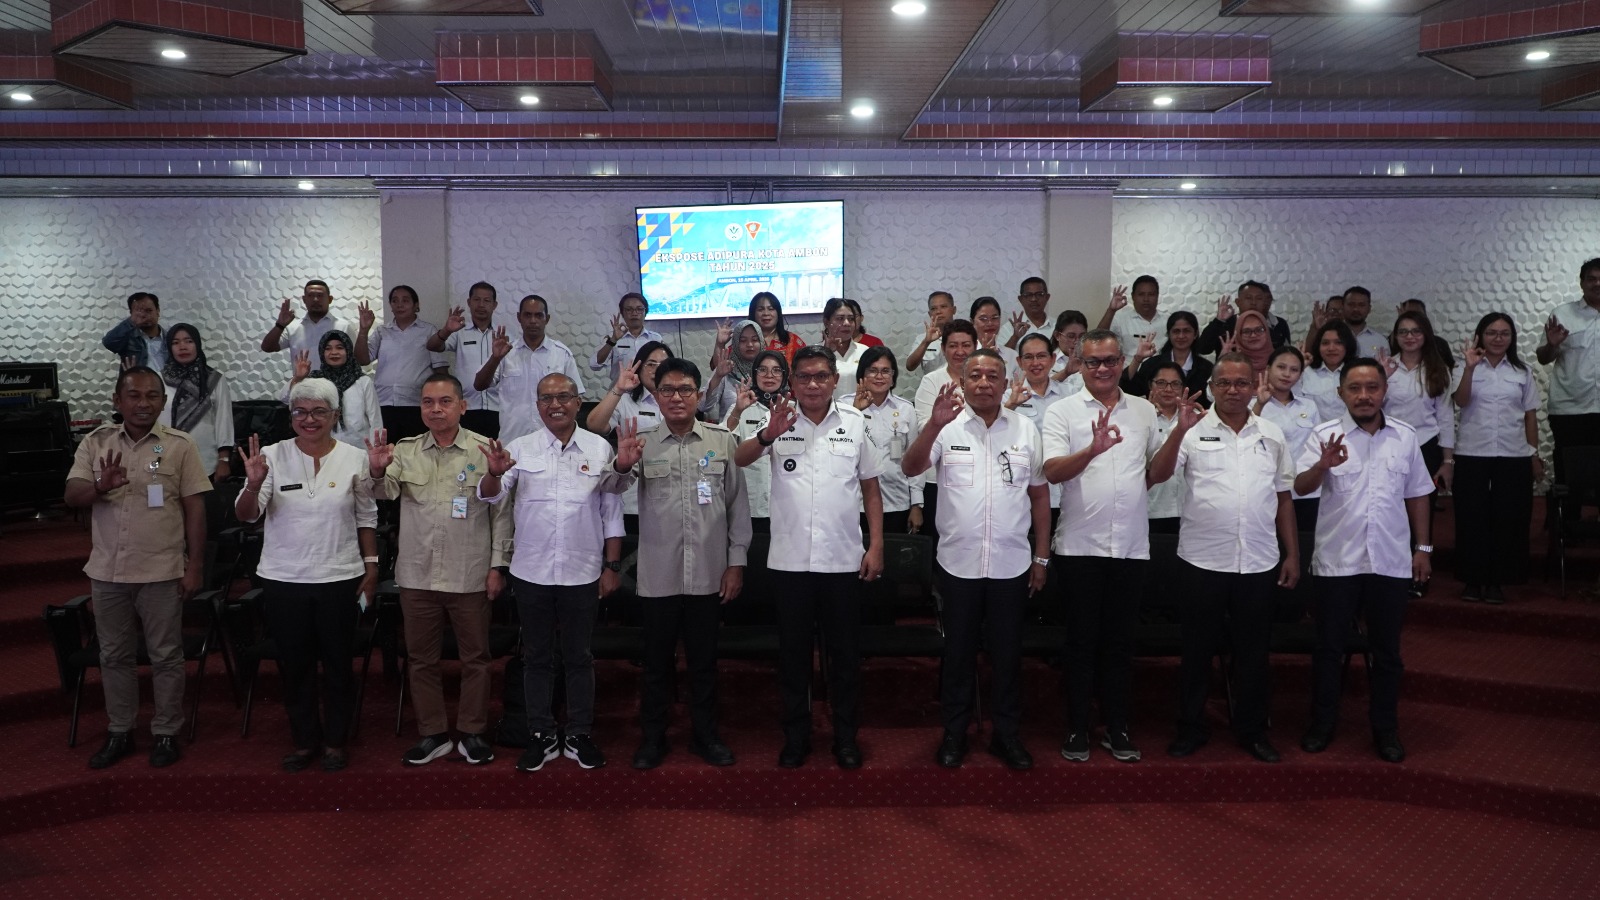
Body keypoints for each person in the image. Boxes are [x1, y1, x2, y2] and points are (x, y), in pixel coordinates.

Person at [734, 346, 887, 770]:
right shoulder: (777, 418)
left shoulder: (855, 423)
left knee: (845, 658)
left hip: (842, 561)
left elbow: (871, 489)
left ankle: (845, 738)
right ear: (793, 382)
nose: (813, 384)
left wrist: (876, 545)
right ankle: (796, 737)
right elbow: (738, 458)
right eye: (804, 377)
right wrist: (768, 435)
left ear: (835, 380)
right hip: (791, 563)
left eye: (821, 376)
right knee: (793, 658)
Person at [477, 373, 636, 772]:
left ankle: (579, 733)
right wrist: (493, 473)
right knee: (536, 658)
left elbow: (611, 511)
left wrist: (612, 566)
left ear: (578, 402)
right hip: (531, 571)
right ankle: (541, 734)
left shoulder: (599, 448)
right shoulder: (520, 448)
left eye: (563, 396)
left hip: (582, 571)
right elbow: (491, 496)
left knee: (579, 657)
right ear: (537, 406)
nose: (555, 404)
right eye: (546, 398)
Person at [902, 350, 1051, 771]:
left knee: (1007, 655)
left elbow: (1040, 496)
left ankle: (1007, 734)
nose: (984, 382)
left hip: (1011, 564)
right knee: (958, 654)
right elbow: (911, 467)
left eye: (992, 376)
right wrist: (933, 425)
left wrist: (1042, 556)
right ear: (962, 382)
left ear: (1005, 384)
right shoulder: (946, 426)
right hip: (958, 564)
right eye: (976, 375)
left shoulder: (1025, 429)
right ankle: (954, 733)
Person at [1042, 329, 1185, 764]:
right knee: (1081, 643)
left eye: (1109, 360)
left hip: (1130, 547)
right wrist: (1093, 449)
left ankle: (1117, 726)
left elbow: (1157, 474)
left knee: (1121, 645)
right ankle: (1076, 727)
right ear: (1080, 365)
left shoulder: (1143, 410)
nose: (1102, 368)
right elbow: (1052, 472)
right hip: (1079, 547)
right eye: (1092, 361)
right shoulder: (1062, 411)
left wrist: (1179, 433)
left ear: (1122, 362)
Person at [1149, 354, 1299, 764]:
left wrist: (1292, 554)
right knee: (1196, 651)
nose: (1233, 390)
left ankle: (1252, 730)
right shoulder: (1191, 430)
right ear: (1212, 388)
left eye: (1241, 383)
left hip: (1259, 561)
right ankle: (1191, 727)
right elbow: (1156, 475)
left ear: (1254, 387)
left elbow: (1284, 498)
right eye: (1225, 383)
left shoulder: (1271, 434)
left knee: (1253, 653)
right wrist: (1178, 432)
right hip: (1202, 561)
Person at [63, 366, 210, 770]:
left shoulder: (180, 445)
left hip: (162, 570)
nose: (143, 403)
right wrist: (99, 487)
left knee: (166, 655)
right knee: (113, 655)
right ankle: (120, 730)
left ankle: (166, 732)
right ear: (118, 400)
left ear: (163, 402)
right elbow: (72, 495)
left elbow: (196, 509)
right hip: (108, 571)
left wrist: (195, 566)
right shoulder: (96, 442)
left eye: (152, 396)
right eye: (134, 395)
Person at [366, 372, 512, 766]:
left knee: (476, 658)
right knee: (421, 660)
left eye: (445, 401)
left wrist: (498, 566)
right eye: (428, 402)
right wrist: (377, 470)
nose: (435, 409)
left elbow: (501, 514)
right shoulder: (406, 450)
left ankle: (472, 732)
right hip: (418, 573)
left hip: (470, 572)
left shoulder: (484, 451)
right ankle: (433, 734)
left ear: (462, 406)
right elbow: (383, 493)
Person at [1293, 358, 1434, 764]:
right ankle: (1322, 724)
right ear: (1341, 393)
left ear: (1384, 391)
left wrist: (1423, 549)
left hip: (1389, 561)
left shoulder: (1405, 436)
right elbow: (1299, 487)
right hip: (1337, 562)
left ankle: (1385, 729)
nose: (1364, 395)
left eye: (1372, 387)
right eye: (1354, 388)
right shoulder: (1323, 435)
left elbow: (1418, 493)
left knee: (1387, 652)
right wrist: (1322, 466)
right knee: (1329, 648)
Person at [235, 378, 379, 773]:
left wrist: (371, 567)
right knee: (295, 664)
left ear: (335, 415)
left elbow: (366, 516)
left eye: (318, 411)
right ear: (291, 416)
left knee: (337, 663)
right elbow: (247, 515)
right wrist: (252, 485)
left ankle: (335, 740)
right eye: (300, 411)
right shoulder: (271, 455)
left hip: (341, 577)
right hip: (284, 579)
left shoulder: (354, 457)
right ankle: (304, 740)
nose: (309, 419)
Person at [625, 358, 751, 770]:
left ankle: (705, 736)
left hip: (709, 574)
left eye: (685, 389)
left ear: (699, 394)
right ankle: (653, 739)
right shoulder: (640, 443)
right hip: (659, 575)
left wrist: (736, 562)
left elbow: (738, 507)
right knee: (655, 665)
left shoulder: (722, 440)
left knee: (704, 664)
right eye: (667, 390)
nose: (676, 397)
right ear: (656, 396)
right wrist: (622, 463)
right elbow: (612, 487)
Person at [1452, 313, 1542, 605]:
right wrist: (1469, 369)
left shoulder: (1522, 371)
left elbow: (1530, 415)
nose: (1498, 338)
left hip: (1513, 453)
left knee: (1508, 518)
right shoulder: (1463, 366)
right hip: (1472, 452)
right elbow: (1461, 401)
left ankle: (1498, 580)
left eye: (1504, 333)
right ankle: (1472, 578)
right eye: (1492, 332)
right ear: (1480, 335)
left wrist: (1533, 453)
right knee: (1472, 517)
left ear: (1512, 338)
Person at [474, 295, 586, 444]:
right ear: (519, 318)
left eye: (538, 315)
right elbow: (479, 385)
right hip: (513, 440)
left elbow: (575, 399)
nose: (533, 321)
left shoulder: (561, 354)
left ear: (547, 319)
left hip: (553, 441)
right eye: (527, 315)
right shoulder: (505, 352)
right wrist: (495, 359)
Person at [585, 340, 673, 531]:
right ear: (639, 368)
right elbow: (594, 425)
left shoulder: (678, 401)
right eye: (651, 364)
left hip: (672, 496)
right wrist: (618, 389)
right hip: (634, 495)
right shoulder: (626, 401)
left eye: (663, 365)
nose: (657, 370)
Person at [1536, 257, 1600, 488]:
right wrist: (1552, 345)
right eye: (1591, 279)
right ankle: (1568, 511)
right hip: (1570, 407)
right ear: (1581, 283)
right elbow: (1543, 358)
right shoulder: (1562, 314)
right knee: (1569, 471)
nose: (1597, 283)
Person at [355, 285, 448, 441]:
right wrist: (363, 330)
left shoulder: (428, 331)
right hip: (383, 404)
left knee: (415, 451)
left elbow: (441, 371)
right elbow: (362, 360)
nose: (399, 305)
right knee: (385, 450)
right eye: (395, 301)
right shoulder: (381, 331)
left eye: (405, 300)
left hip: (416, 405)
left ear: (416, 305)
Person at [852, 346, 924, 534]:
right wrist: (855, 412)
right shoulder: (846, 407)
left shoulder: (906, 409)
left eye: (885, 371)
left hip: (896, 502)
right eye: (872, 370)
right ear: (862, 374)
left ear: (893, 376)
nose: (879, 376)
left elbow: (915, 460)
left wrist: (916, 504)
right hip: (855, 504)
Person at [1253, 346, 1322, 533]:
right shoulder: (1253, 404)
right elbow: (1245, 438)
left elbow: (1317, 446)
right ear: (1268, 369)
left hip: (1304, 490)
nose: (1287, 374)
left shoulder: (1309, 406)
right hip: (1267, 489)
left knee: (1305, 542)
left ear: (1300, 375)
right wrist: (1260, 404)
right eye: (1281, 367)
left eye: (1294, 370)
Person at [1383, 311, 1455, 489]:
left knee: (1424, 502)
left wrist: (1448, 461)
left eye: (1416, 331)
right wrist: (1381, 378)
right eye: (1403, 332)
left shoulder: (1439, 370)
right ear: (1395, 336)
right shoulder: (1384, 367)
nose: (1409, 337)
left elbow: (1445, 417)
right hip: (1388, 445)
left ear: (1426, 335)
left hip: (1426, 445)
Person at [158, 323, 234, 482]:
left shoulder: (214, 380)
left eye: (188, 341)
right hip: (165, 459)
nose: (182, 347)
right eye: (175, 342)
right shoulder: (159, 380)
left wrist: (224, 460)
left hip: (206, 462)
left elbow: (224, 421)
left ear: (197, 344)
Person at [428, 281, 505, 438]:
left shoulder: (503, 335)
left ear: (494, 305)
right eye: (476, 300)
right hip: (466, 409)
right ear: (469, 302)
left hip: (498, 409)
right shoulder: (459, 332)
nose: (481, 305)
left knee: (496, 452)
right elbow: (433, 346)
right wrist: (446, 330)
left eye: (486, 300)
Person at [725, 349, 787, 531]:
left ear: (785, 375)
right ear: (754, 373)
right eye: (763, 370)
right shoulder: (740, 406)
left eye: (776, 370)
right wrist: (738, 411)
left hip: (786, 505)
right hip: (749, 502)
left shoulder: (794, 408)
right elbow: (723, 442)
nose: (769, 375)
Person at [284, 330, 381, 448]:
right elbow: (285, 399)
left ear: (348, 351)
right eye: (328, 348)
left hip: (359, 448)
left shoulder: (363, 381)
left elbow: (375, 419)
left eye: (340, 348)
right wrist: (298, 378)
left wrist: (376, 449)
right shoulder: (315, 380)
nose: (334, 352)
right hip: (323, 448)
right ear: (322, 353)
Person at [1123, 311, 1212, 400]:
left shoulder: (1206, 369)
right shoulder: (1152, 365)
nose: (1181, 336)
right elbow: (1127, 390)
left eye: (1186, 331)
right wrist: (1138, 358)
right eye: (1176, 331)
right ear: (1169, 334)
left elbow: (1211, 400)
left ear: (1195, 334)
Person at [1143, 361, 1188, 534]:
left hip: (1189, 513)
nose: (1168, 389)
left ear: (1183, 388)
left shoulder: (1195, 420)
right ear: (1150, 385)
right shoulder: (1139, 419)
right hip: (1149, 511)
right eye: (1161, 383)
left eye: (1175, 384)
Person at [260, 279, 350, 361]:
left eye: (320, 295)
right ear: (304, 299)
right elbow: (267, 348)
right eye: (310, 295)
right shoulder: (292, 328)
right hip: (302, 375)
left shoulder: (344, 327)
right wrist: (280, 325)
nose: (315, 299)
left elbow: (356, 359)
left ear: (330, 299)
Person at [1197, 281, 1291, 356]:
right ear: (1238, 302)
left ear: (1264, 302)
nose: (1253, 302)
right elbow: (1203, 349)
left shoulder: (1277, 324)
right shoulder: (1225, 324)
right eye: (1248, 298)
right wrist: (1219, 321)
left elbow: (1286, 354)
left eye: (1259, 298)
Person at [592, 292, 665, 386]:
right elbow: (594, 365)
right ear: (622, 313)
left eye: (639, 309)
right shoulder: (612, 338)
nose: (634, 313)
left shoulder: (656, 338)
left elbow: (664, 367)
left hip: (649, 392)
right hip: (621, 392)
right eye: (629, 310)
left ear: (645, 312)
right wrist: (613, 340)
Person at [914, 320, 979, 426]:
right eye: (953, 346)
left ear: (975, 347)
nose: (960, 352)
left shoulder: (985, 380)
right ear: (943, 349)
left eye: (966, 345)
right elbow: (922, 426)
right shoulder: (931, 381)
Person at [701, 319, 761, 424]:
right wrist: (717, 376)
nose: (749, 344)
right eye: (743, 340)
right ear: (735, 343)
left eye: (755, 340)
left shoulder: (770, 371)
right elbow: (704, 406)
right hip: (731, 432)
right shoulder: (727, 370)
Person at [1096, 276, 1162, 361]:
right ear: (1133, 296)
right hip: (1130, 369)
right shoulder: (1120, 319)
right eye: (1141, 294)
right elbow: (1097, 340)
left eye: (1151, 294)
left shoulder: (1168, 321)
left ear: (1157, 296)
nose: (1146, 299)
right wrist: (1111, 310)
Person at [1303, 321, 1357, 423]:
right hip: (1314, 431)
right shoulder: (1306, 372)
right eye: (1325, 343)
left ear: (1348, 345)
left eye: (1338, 343)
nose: (1331, 348)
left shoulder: (1357, 373)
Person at [102, 292, 167, 370]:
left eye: (149, 310)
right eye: (139, 311)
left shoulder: (170, 338)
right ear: (131, 314)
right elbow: (108, 343)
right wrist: (131, 323)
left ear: (158, 311)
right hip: (136, 377)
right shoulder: (127, 337)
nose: (143, 315)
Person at [820, 298, 869, 400]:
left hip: (858, 408)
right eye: (840, 318)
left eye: (851, 319)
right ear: (826, 322)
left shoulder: (865, 352)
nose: (847, 323)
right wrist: (827, 352)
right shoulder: (813, 353)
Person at [906, 290, 958, 373]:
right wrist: (926, 342)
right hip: (931, 381)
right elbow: (910, 366)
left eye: (943, 306)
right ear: (930, 314)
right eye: (933, 309)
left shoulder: (965, 337)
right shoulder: (922, 339)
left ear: (954, 310)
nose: (938, 312)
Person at [749, 291, 805, 363]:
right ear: (753, 314)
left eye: (771, 309)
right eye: (760, 309)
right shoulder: (745, 342)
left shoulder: (793, 341)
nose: (766, 313)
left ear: (778, 313)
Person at [1398, 299, 1456, 368]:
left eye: (1417, 314)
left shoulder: (1440, 344)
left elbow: (1450, 367)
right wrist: (1401, 320)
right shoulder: (1396, 342)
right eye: (1408, 315)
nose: (1413, 318)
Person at [1339, 286, 1390, 360]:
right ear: (1342, 306)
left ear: (1369, 308)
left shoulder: (1380, 341)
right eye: (1351, 304)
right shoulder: (1331, 337)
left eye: (1361, 305)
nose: (1356, 309)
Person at [970, 296, 1019, 372]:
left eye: (994, 318)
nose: (990, 323)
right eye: (983, 319)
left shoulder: (1012, 355)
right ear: (972, 322)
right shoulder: (967, 354)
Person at [1005, 276, 1054, 350]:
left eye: (1039, 294)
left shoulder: (1058, 326)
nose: (1034, 299)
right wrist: (1015, 337)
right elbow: (1000, 355)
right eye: (1028, 295)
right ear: (1021, 299)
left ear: (1047, 297)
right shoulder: (1008, 328)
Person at [1049, 310, 1089, 389]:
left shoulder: (1090, 359)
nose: (1077, 341)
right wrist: (1065, 372)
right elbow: (1041, 388)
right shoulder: (1047, 360)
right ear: (1057, 336)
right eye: (1071, 336)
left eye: (1082, 336)